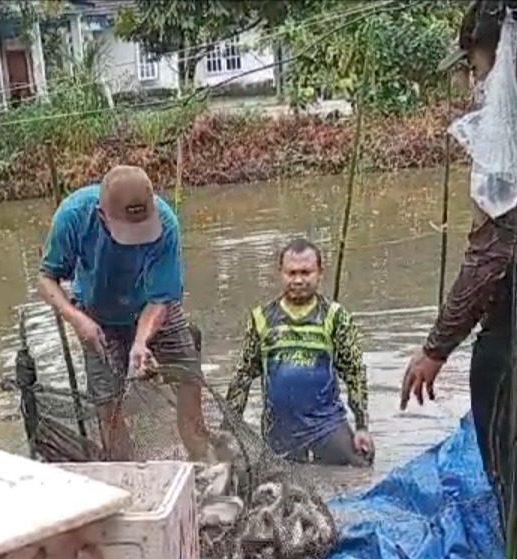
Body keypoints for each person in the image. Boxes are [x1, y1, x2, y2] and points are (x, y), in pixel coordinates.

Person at [400, 0, 517, 531]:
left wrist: (435, 349)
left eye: (474, 67)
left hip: (508, 332)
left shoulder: (504, 142)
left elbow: (490, 256)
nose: (473, 83)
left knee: (497, 406)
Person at [38, 164, 209, 462]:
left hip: (152, 307)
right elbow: (46, 279)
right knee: (108, 404)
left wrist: (141, 343)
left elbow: (160, 299)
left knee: (189, 380)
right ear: (101, 215)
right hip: (96, 314)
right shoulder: (73, 216)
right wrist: (76, 318)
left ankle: (202, 459)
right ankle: (128, 471)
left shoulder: (166, 224)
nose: (138, 240)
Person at [225, 237, 374, 466]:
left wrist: (362, 427)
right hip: (279, 432)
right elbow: (242, 377)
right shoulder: (261, 318)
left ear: (320, 273)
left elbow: (355, 374)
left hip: (328, 426)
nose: (298, 280)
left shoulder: (336, 317)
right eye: (291, 273)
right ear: (280, 273)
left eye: (306, 272)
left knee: (361, 468)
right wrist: (228, 430)